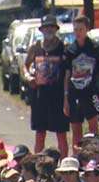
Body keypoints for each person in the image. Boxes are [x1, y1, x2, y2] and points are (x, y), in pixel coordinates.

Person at [62, 15, 99, 142]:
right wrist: (66, 98)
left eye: (80, 29)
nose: (77, 33)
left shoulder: (95, 48)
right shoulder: (70, 50)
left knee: (93, 127)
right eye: (75, 29)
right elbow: (67, 75)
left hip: (91, 92)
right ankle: (77, 156)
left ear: (87, 29)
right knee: (76, 129)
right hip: (74, 92)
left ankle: (95, 154)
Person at [25, 18, 70, 157]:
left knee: (61, 134)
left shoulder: (64, 48)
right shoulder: (36, 47)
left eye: (51, 27)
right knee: (40, 133)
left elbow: (69, 72)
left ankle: (63, 162)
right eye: (46, 28)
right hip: (40, 95)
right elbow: (25, 66)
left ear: (56, 29)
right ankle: (37, 163)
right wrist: (28, 77)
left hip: (58, 95)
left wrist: (67, 97)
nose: (49, 30)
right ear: (41, 30)